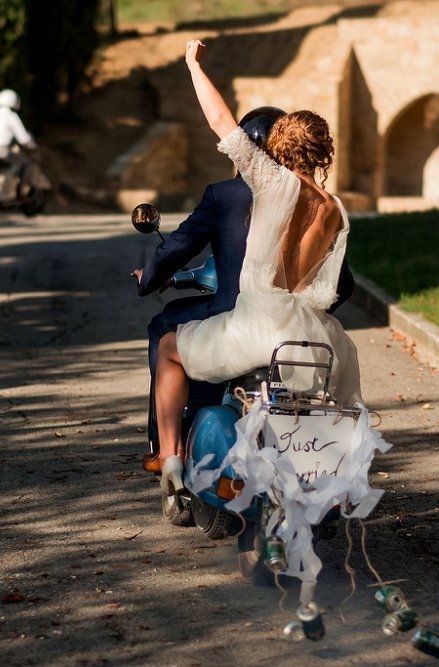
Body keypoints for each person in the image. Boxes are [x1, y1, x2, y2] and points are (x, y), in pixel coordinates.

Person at [154, 40, 361, 484]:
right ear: (322, 151)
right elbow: (328, 285)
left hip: (256, 327)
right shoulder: (335, 209)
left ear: (277, 147)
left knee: (170, 350)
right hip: (312, 339)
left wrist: (192, 65)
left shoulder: (272, 182)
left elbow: (220, 121)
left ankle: (170, 463)